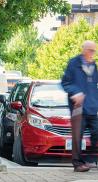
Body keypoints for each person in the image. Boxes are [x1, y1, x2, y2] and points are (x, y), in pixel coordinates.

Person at [62, 40, 98, 172]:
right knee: (78, 136)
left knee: (96, 132)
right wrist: (75, 93)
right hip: (78, 107)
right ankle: (78, 164)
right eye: (90, 50)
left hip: (92, 107)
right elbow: (65, 82)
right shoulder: (74, 63)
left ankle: (90, 160)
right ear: (84, 49)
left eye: (94, 51)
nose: (92, 53)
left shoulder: (94, 66)